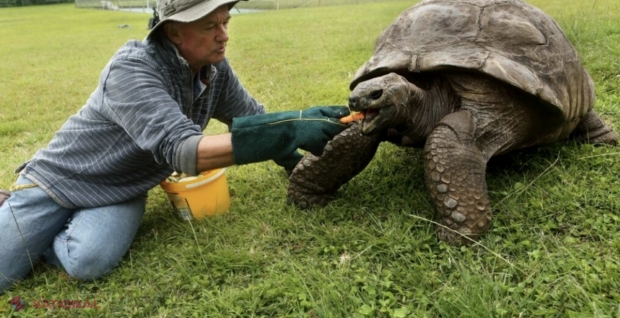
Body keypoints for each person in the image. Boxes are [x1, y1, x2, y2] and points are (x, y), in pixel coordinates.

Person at [0, 0, 350, 294]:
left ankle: (44, 238)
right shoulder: (132, 69)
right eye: (210, 25)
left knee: (87, 262)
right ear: (174, 31)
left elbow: (254, 117)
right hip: (58, 181)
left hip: (122, 187)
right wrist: (288, 131)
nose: (224, 35)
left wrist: (304, 164)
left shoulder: (214, 70)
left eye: (225, 22)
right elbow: (183, 149)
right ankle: (12, 205)